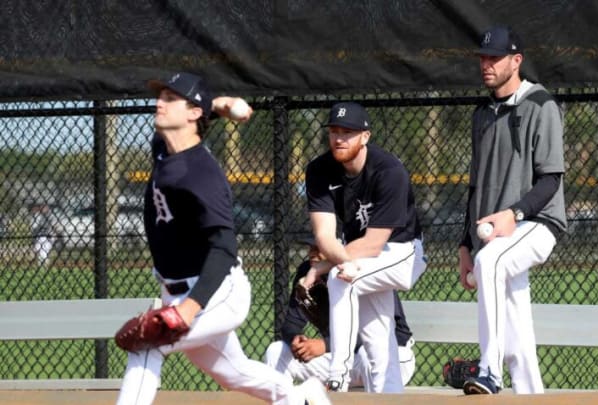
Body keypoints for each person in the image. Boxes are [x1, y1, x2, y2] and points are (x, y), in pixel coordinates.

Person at [115, 72, 328, 405]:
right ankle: (302, 397)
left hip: (215, 292)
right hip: (177, 292)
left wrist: (187, 310)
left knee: (149, 344)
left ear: (192, 113)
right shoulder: (163, 149)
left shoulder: (203, 174)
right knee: (233, 372)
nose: (159, 102)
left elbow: (224, 249)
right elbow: (200, 114)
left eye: (171, 98)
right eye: (161, 96)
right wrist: (221, 104)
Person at [458, 26, 567, 395]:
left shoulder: (541, 104)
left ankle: (488, 370)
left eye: (495, 57)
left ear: (516, 61)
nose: (486, 64)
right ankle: (530, 393)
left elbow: (551, 180)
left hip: (538, 223)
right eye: (483, 57)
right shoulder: (482, 113)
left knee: (492, 265)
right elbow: (475, 186)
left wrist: (514, 214)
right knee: (513, 305)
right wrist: (464, 244)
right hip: (496, 233)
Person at [302, 101, 426, 393]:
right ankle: (389, 396)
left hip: (402, 252)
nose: (339, 138)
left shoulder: (389, 171)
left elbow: (375, 243)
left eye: (348, 132)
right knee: (377, 341)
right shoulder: (319, 170)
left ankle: (339, 372)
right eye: (334, 131)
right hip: (361, 259)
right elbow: (325, 236)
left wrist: (323, 266)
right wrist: (335, 260)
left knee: (339, 277)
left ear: (365, 137)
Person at [264, 239, 416, 390]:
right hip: (343, 360)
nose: (311, 253)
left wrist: (325, 345)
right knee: (276, 351)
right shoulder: (307, 272)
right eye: (310, 248)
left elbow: (378, 335)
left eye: (318, 248)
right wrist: (295, 339)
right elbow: (291, 323)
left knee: (367, 354)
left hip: (393, 357)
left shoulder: (363, 269)